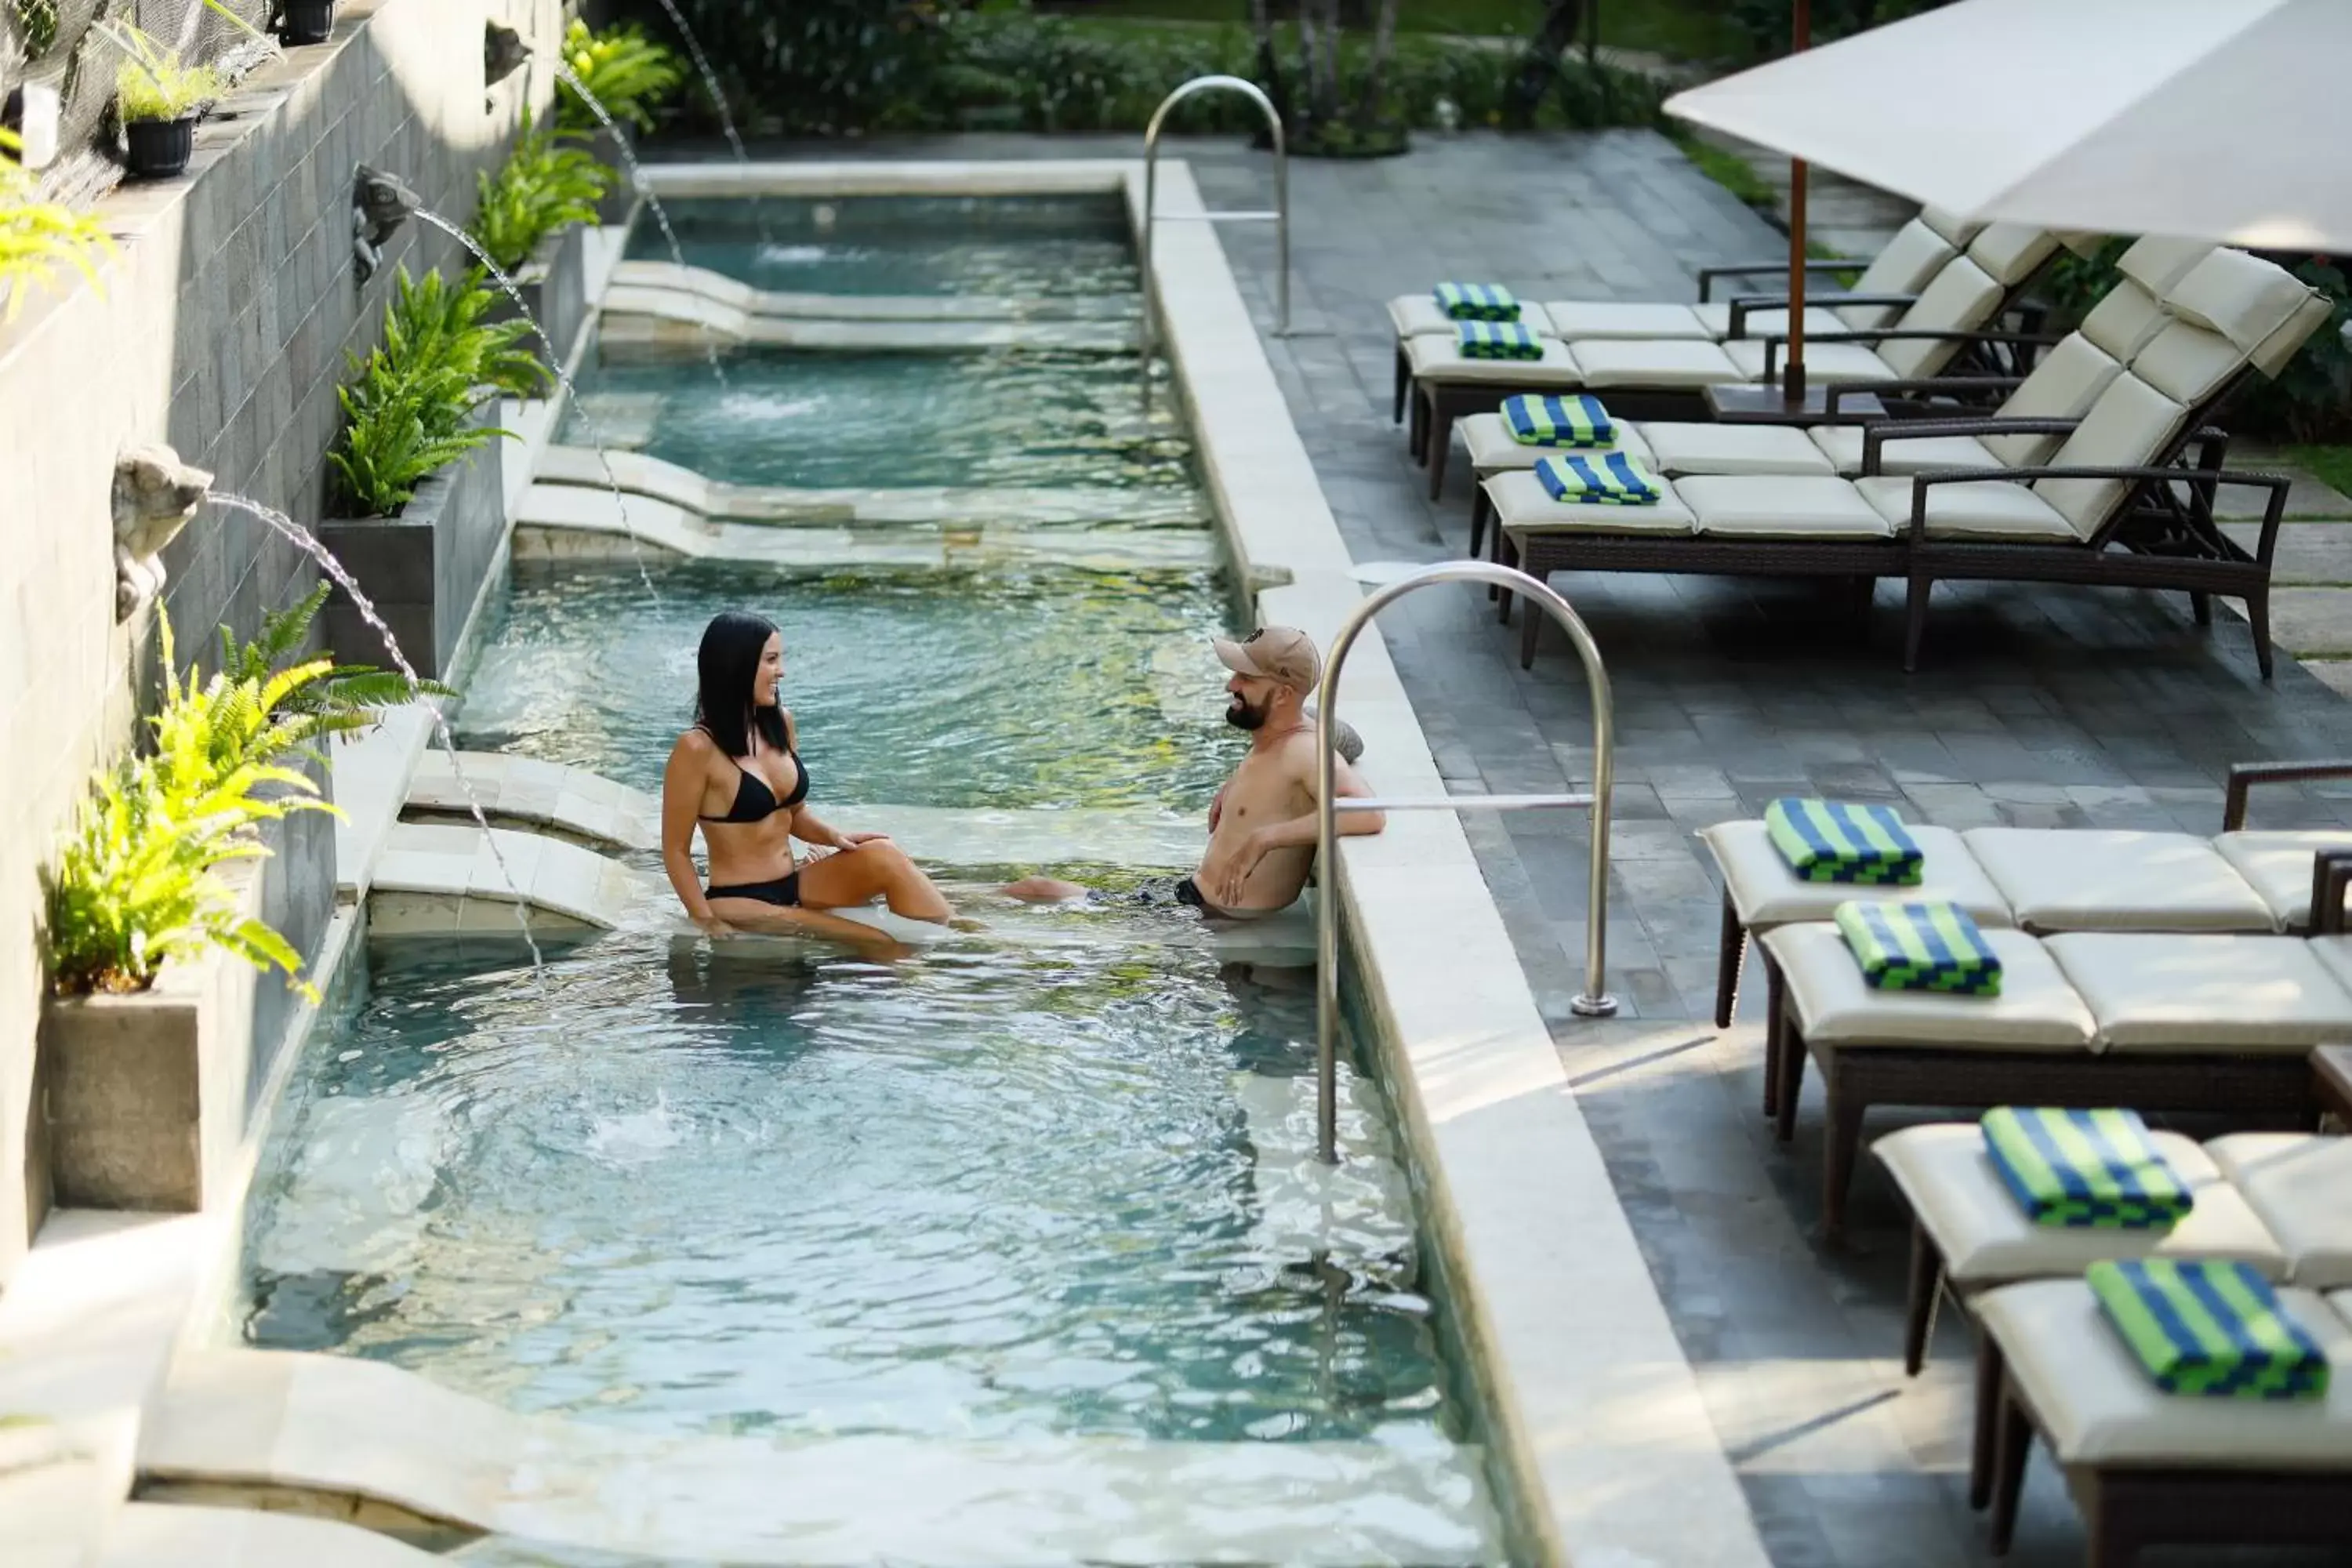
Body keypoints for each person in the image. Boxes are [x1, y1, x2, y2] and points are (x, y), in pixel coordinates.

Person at [1004, 625, 1385, 916]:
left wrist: (1266, 837)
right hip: (1190, 900)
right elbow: (1342, 743)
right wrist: (1236, 785)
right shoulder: (1281, 741)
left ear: (1284, 694)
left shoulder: (1304, 750)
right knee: (1034, 888)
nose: (1230, 685)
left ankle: (948, 912)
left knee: (1037, 890)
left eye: (1246, 679)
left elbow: (1367, 813)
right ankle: (950, 902)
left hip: (1208, 918)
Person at [661, 611, 958, 949]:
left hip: (795, 884)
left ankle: (953, 943)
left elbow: (794, 815)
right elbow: (676, 850)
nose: (781, 671)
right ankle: (920, 964)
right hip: (740, 900)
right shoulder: (696, 749)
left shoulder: (780, 724)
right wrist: (704, 918)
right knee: (879, 941)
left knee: (883, 854)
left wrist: (834, 837)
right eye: (771, 660)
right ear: (738, 666)